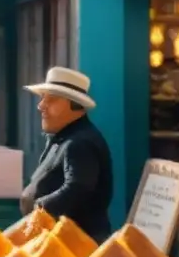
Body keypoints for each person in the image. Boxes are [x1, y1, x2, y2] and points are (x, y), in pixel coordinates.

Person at [21, 67, 113, 243]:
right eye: (42, 98)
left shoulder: (80, 142)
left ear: (76, 106)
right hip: (57, 238)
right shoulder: (63, 137)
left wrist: (39, 207)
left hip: (76, 244)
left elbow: (78, 188)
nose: (41, 106)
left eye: (52, 100)